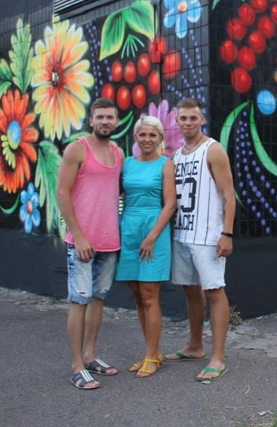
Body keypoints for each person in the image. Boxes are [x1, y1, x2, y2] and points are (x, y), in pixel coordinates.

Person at [57, 97, 124, 390]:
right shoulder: (77, 149)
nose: (105, 122)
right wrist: (79, 234)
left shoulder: (118, 153)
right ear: (91, 120)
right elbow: (62, 192)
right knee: (79, 300)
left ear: (117, 122)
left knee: (98, 299)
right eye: (100, 117)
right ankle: (76, 366)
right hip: (82, 242)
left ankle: (90, 355)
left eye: (110, 117)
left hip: (109, 242)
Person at [167, 98, 236, 382]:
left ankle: (217, 358)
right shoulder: (177, 155)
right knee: (190, 290)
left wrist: (227, 233)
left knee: (214, 291)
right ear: (177, 122)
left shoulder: (214, 149)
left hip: (208, 236)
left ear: (202, 119)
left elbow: (229, 195)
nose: (187, 123)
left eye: (192, 118)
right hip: (182, 233)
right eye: (183, 118)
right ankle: (195, 346)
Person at [115, 115, 176, 378]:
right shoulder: (127, 164)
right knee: (137, 295)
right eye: (142, 134)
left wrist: (152, 236)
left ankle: (152, 355)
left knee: (150, 294)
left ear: (161, 139)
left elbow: (170, 204)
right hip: (128, 228)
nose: (147, 139)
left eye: (153, 135)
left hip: (155, 230)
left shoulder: (166, 164)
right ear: (136, 138)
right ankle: (151, 352)